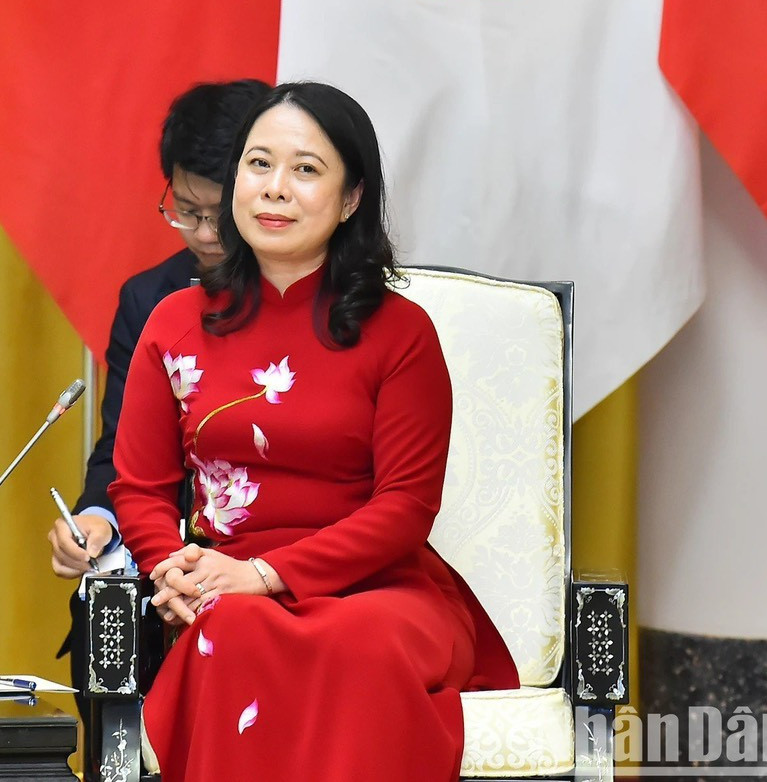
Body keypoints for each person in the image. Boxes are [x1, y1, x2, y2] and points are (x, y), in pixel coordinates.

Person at [109, 82, 519, 780]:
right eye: (259, 164)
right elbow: (140, 486)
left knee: (361, 642)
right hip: (230, 592)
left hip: (378, 589)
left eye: (305, 170)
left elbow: (405, 510)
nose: (274, 190)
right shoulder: (173, 322)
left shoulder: (400, 334)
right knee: (233, 632)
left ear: (351, 198)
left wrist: (263, 575)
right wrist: (172, 570)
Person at [48, 80, 270, 709]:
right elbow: (120, 448)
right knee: (106, 612)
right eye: (185, 211)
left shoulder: (326, 299)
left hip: (285, 550)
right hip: (173, 546)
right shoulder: (150, 299)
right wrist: (96, 518)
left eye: (218, 215)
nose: (201, 234)